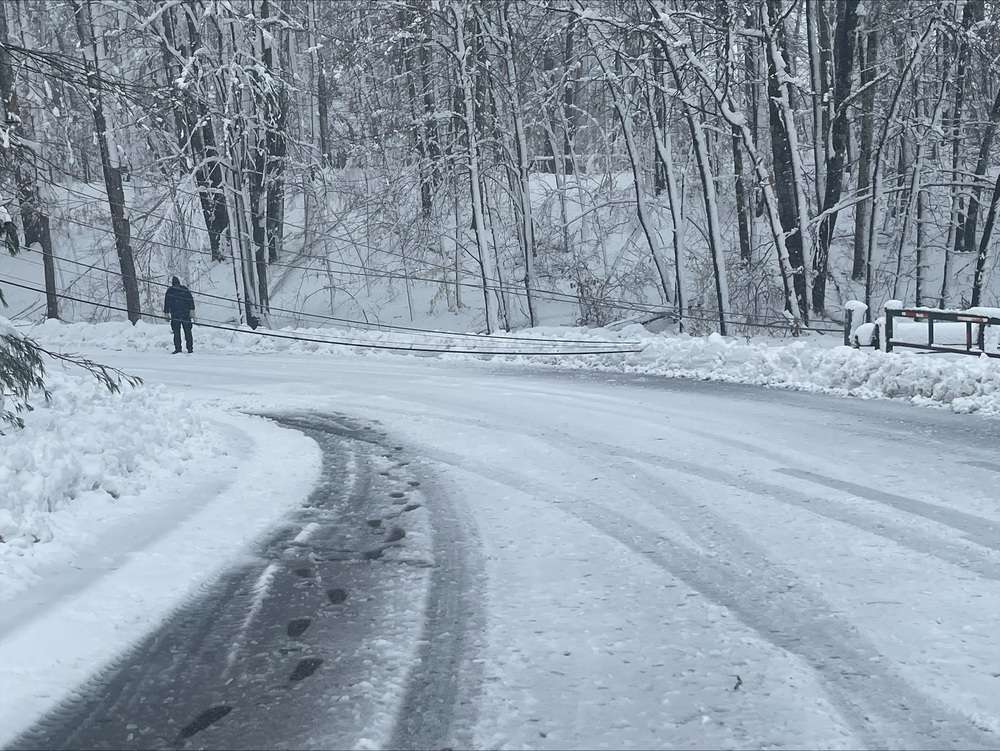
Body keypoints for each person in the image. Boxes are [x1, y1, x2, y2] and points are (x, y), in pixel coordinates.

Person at [163, 276, 195, 353]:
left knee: (186, 332)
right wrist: (166, 313)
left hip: (181, 314)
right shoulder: (182, 290)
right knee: (178, 332)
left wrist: (191, 310)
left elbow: (190, 301)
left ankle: (188, 348)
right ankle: (180, 348)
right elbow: (166, 303)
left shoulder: (171, 291)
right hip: (179, 314)